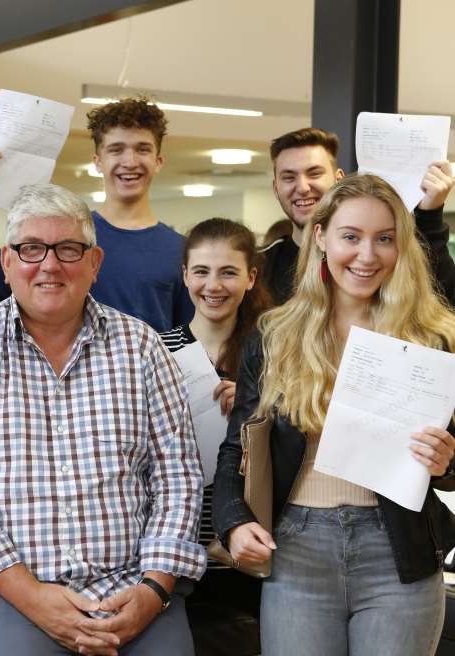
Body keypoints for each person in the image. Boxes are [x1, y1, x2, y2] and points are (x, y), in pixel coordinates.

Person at [0, 183, 206, 656]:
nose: (50, 265)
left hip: (133, 585)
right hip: (8, 591)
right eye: (31, 249)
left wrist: (152, 591)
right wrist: (32, 597)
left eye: (68, 249)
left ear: (94, 264)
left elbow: (177, 477)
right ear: (8, 263)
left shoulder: (141, 347)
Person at [213, 174, 455, 655]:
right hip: (297, 550)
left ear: (402, 247)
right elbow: (236, 448)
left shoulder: (433, 338)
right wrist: (235, 522)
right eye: (351, 237)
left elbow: (451, 471)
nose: (367, 256)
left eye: (384, 239)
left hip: (399, 554)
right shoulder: (276, 335)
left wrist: (446, 460)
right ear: (321, 237)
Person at [0, 96, 194, 332]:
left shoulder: (181, 250)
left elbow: (190, 338)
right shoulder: (62, 233)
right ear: (97, 161)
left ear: (158, 161)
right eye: (116, 150)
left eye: (142, 149)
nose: (129, 161)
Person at [158, 218, 270, 640]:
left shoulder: (272, 353)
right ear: (185, 275)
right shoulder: (156, 351)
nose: (213, 285)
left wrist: (254, 405)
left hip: (251, 543)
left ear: (251, 277)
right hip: (180, 545)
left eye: (228, 272)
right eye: (201, 271)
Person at [263, 127, 455, 306]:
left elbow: (441, 304)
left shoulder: (388, 260)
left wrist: (430, 215)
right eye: (289, 177)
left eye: (314, 174)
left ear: (339, 179)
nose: (303, 188)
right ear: (275, 188)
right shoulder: (261, 266)